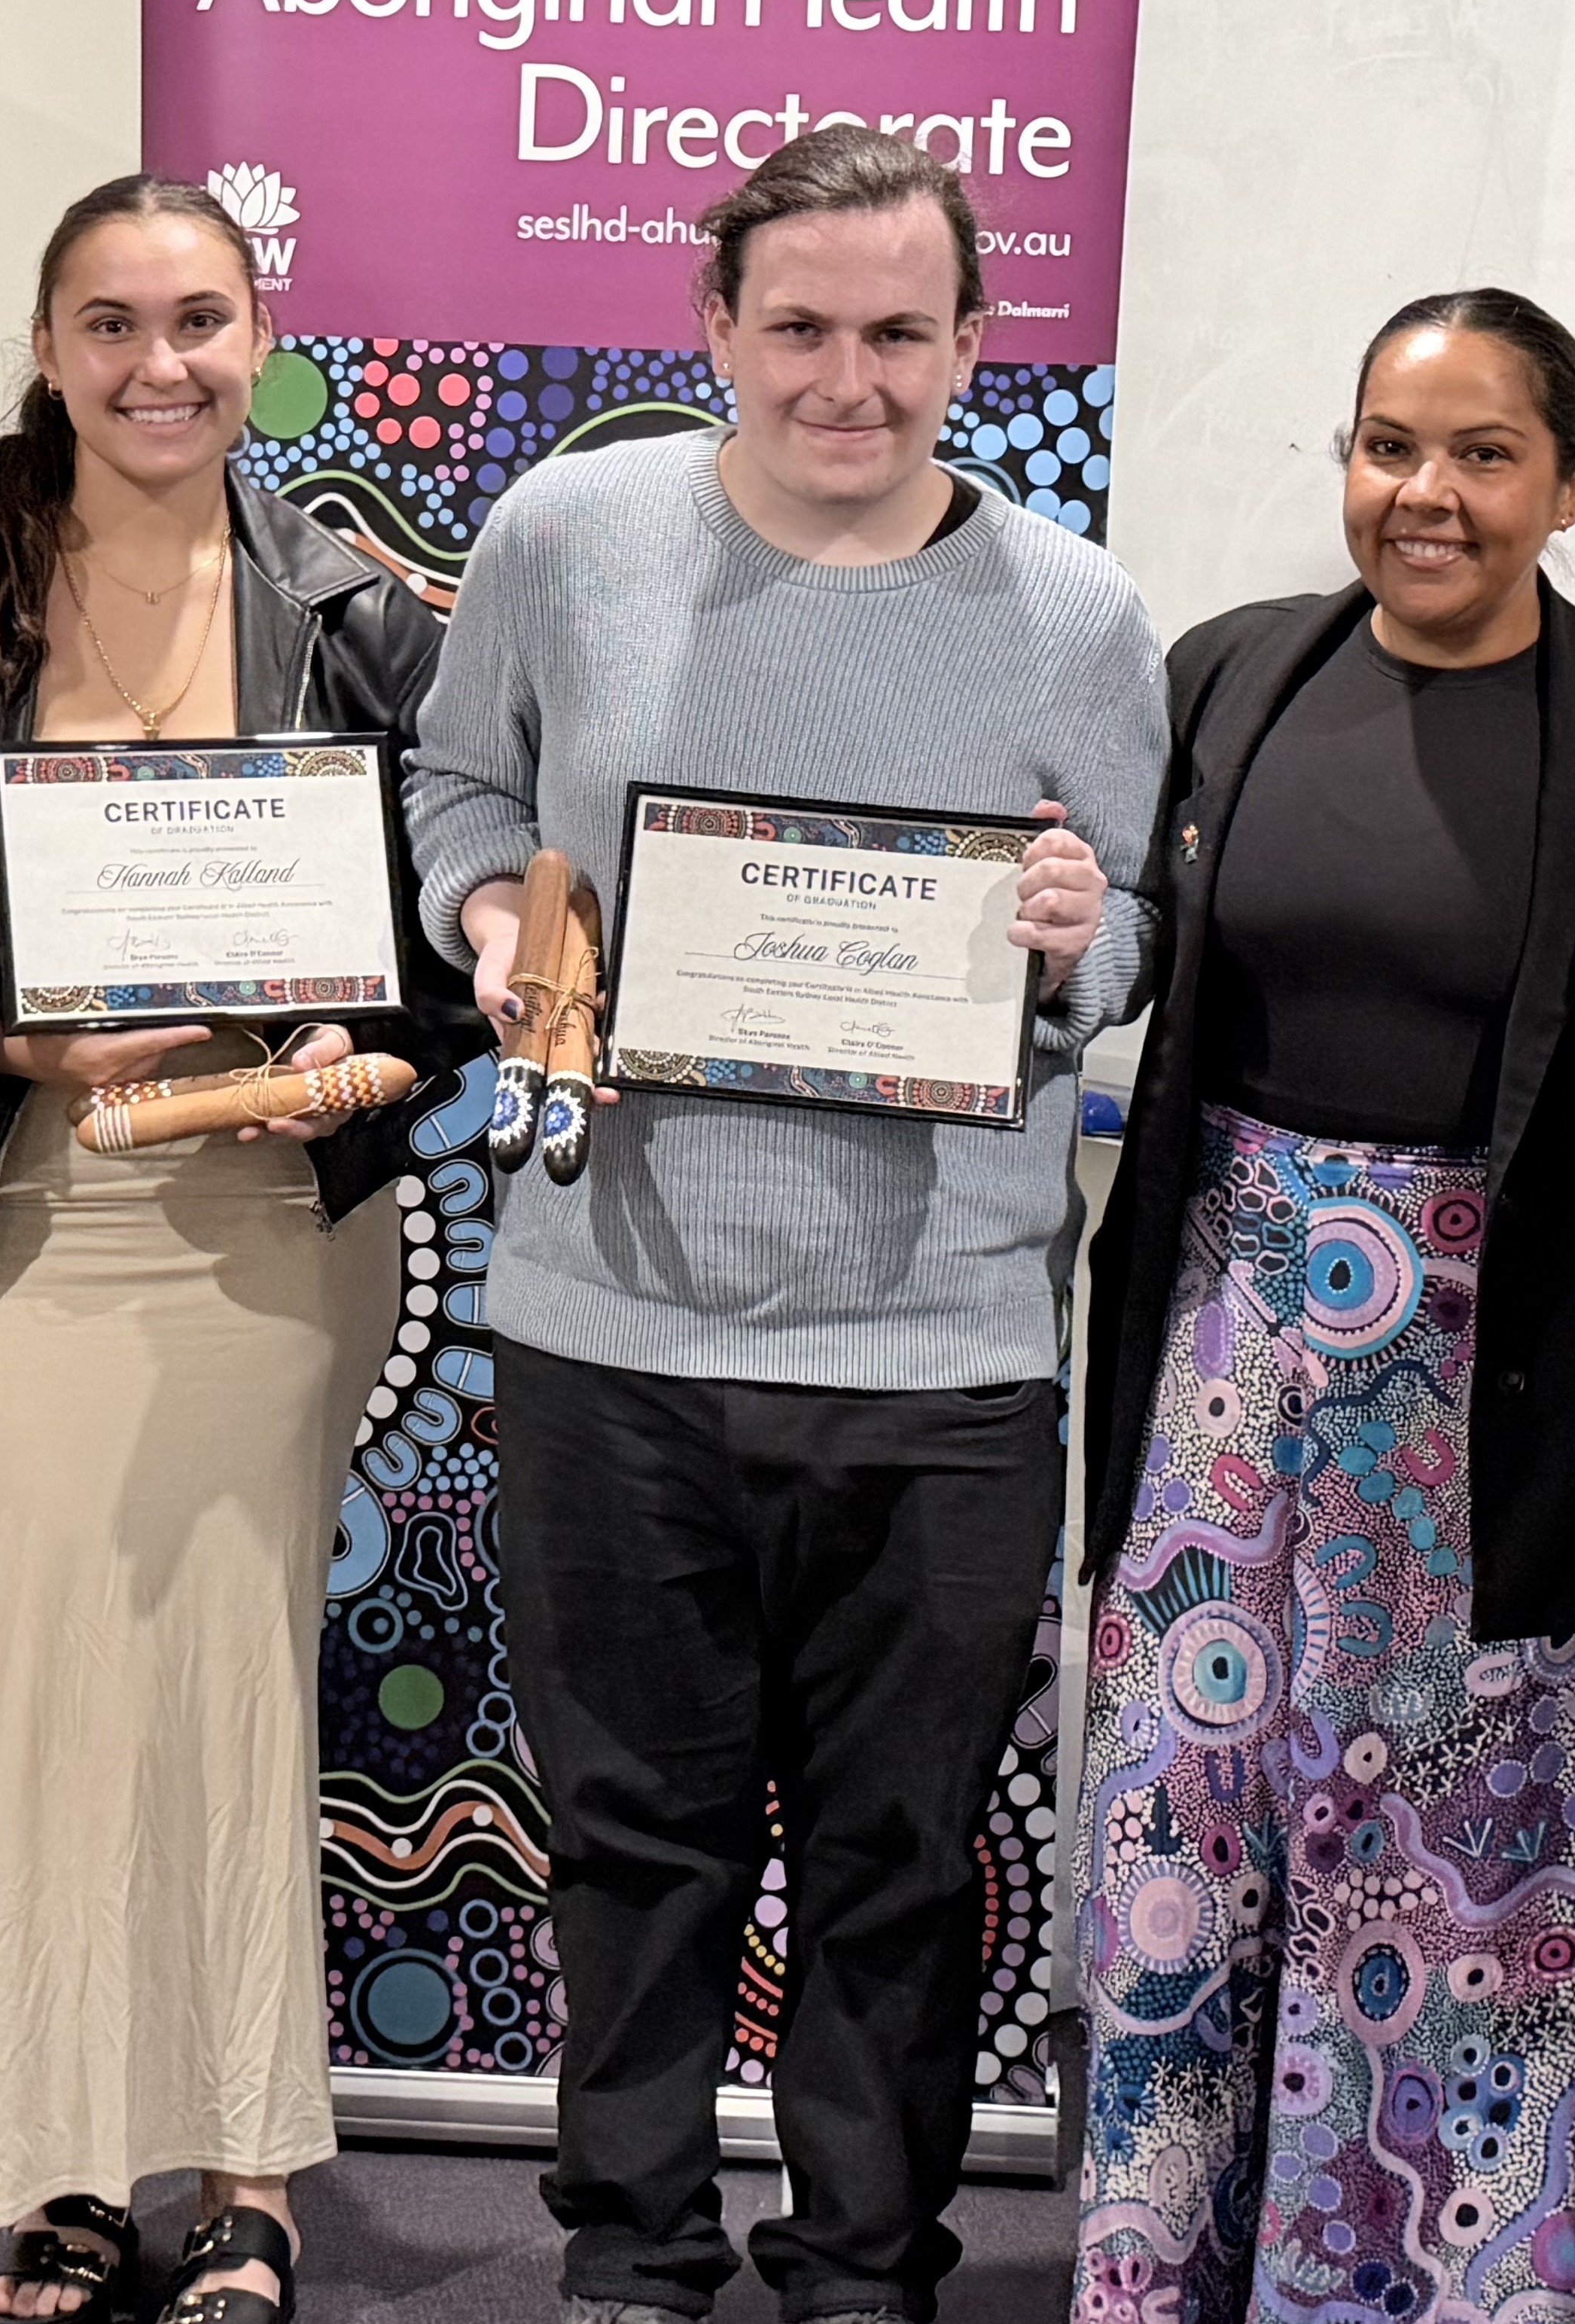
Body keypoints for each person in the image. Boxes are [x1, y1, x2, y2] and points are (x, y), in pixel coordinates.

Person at [405, 124, 1165, 2323]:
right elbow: (464, 782)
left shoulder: (1079, 614)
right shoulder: (568, 534)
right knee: (636, 1848)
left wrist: (1076, 929)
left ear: (972, 343)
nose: (852, 378)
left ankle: (863, 2268)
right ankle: (632, 2257)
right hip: (608, 1323)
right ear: (716, 325)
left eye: (901, 333)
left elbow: (1127, 939)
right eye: (803, 328)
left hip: (935, 1354)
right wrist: (485, 905)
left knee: (894, 1861)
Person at [0, 173, 469, 2324]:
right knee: (56, 1689)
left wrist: (372, 1056)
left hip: (270, 1231)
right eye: (111, 324)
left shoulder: (359, 616)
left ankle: (250, 2171)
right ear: (46, 347)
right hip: (22, 1228)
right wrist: (2, 1038)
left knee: (246, 1683)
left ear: (262, 340)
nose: (160, 367)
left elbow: (467, 903)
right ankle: (66, 2164)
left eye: (200, 322)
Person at [1072, 289, 1575, 2321]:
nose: (1426, 494)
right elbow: (1142, 963)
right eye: (1387, 447)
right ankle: (1147, 2281)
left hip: (1495, 1378)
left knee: (1467, 1899)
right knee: (1179, 1862)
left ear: (1568, 485)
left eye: (1483, 454)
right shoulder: (1232, 673)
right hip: (1230, 1355)